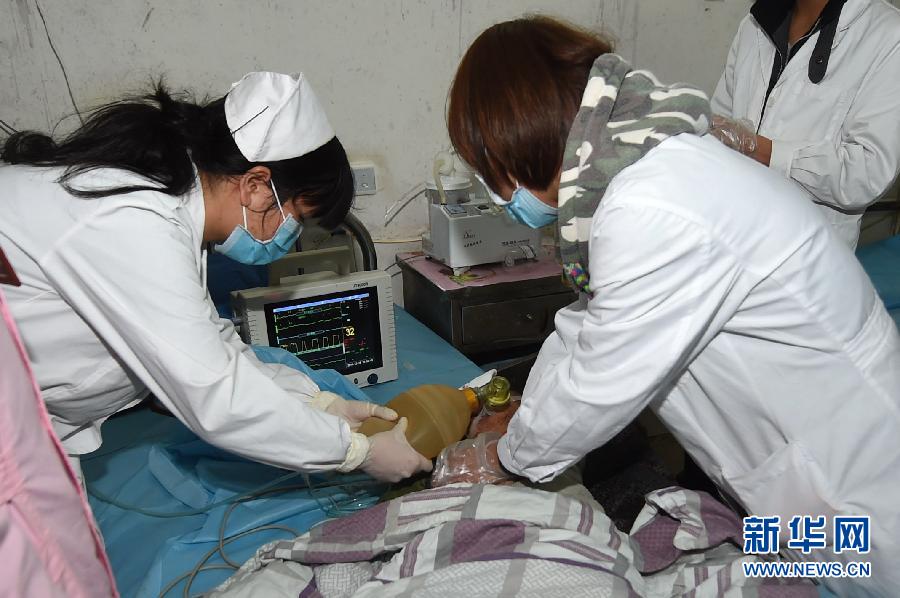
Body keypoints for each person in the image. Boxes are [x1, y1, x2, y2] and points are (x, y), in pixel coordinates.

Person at [443, 16, 900, 596]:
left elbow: (599, 382)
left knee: (852, 580)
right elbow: (588, 326)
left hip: (860, 494)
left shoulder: (653, 204)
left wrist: (506, 459)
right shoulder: (638, 177)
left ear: (518, 143)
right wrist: (523, 412)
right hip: (800, 475)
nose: (496, 194)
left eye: (491, 174)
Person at [0, 71, 432, 484]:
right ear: (256, 186)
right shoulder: (132, 222)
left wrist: (317, 403)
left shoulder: (167, 209)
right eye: (298, 218)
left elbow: (215, 346)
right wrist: (355, 452)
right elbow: (215, 394)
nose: (291, 236)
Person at [710, 0, 900, 248]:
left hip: (805, 254)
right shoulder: (756, 23)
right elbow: (720, 122)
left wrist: (763, 151)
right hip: (730, 235)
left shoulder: (888, 35)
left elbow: (868, 173)